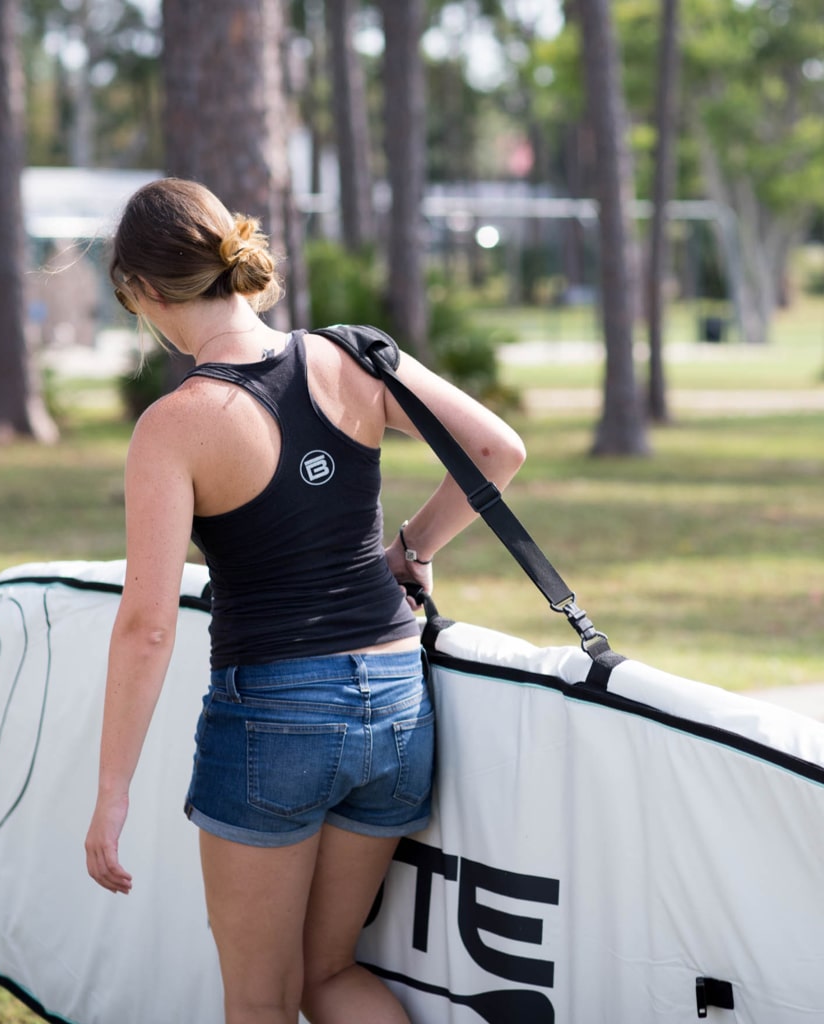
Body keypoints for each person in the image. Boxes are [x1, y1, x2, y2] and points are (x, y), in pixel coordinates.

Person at [85, 177, 526, 1024]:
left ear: (142, 291)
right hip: (399, 703)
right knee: (329, 976)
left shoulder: (177, 424)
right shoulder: (349, 357)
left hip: (274, 720)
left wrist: (112, 793)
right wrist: (414, 548)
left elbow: (146, 628)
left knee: (260, 1001)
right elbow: (494, 449)